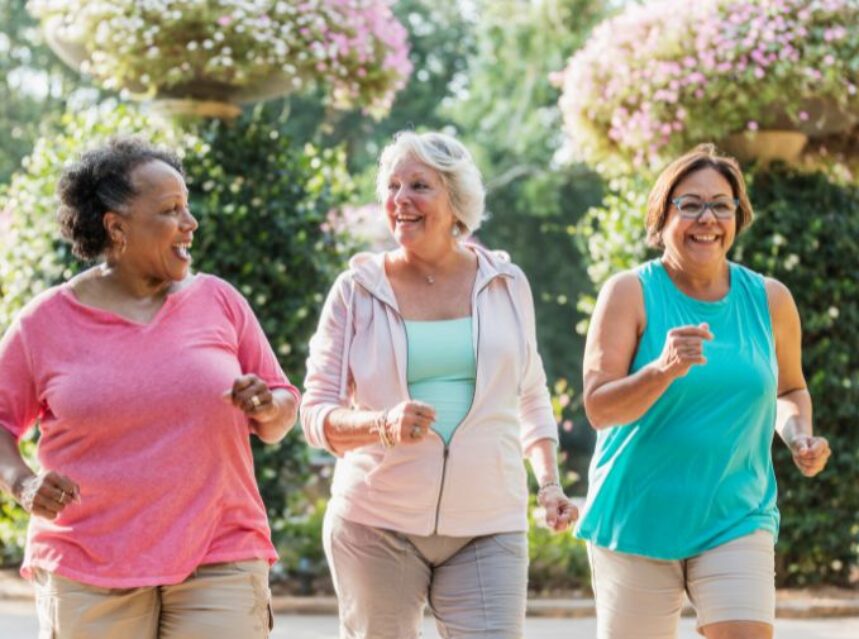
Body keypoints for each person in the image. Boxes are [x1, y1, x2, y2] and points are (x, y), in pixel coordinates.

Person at [0, 137, 300, 638]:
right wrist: (22, 484)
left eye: (187, 206)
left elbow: (283, 407)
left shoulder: (219, 301)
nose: (191, 223)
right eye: (170, 210)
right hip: (88, 563)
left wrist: (269, 407)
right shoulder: (44, 323)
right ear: (116, 227)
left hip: (220, 551)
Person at [301, 130, 577, 639]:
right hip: (375, 523)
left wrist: (549, 484)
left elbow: (531, 392)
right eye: (392, 186)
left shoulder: (506, 282)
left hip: (488, 523)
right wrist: (380, 424)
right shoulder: (356, 291)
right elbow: (316, 414)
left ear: (456, 202)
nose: (401, 199)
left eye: (419, 186)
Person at [577, 143, 832, 639]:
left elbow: (790, 389)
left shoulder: (769, 299)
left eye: (721, 204)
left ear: (738, 215)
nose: (707, 218)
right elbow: (599, 408)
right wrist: (662, 370)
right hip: (637, 518)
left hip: (736, 514)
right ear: (662, 216)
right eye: (689, 204)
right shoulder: (629, 292)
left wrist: (799, 435)